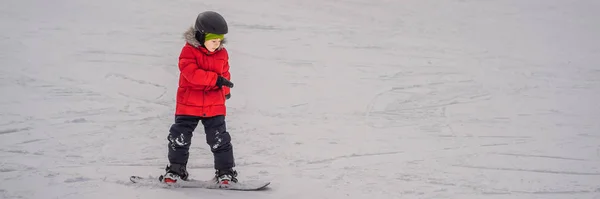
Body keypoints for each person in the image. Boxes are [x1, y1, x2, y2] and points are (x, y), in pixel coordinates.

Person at [161, 11, 236, 186]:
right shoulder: (188, 51)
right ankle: (176, 170)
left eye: (219, 41)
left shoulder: (222, 54)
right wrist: (216, 80)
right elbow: (191, 74)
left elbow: (224, 73)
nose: (217, 45)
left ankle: (225, 173)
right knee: (179, 137)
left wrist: (225, 90)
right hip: (188, 105)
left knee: (220, 139)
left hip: (214, 105)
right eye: (213, 41)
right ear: (201, 36)